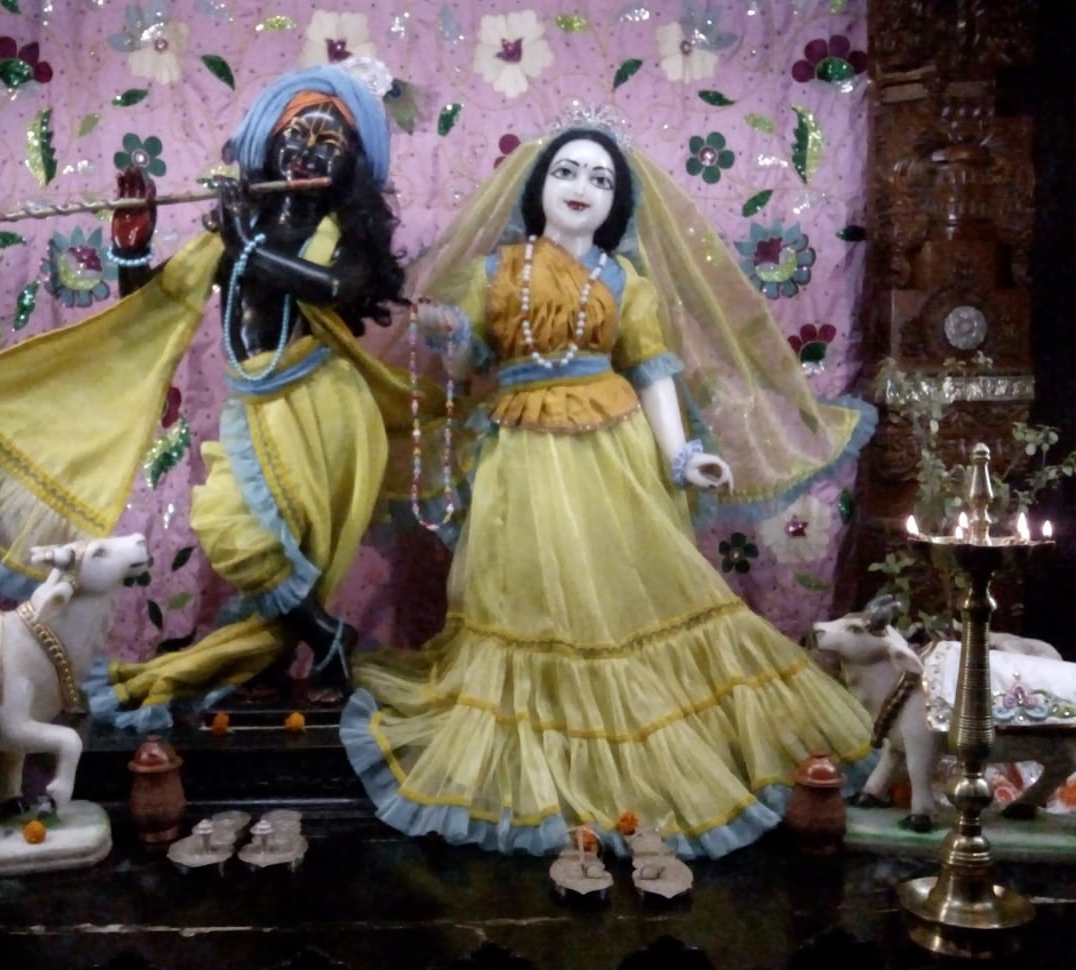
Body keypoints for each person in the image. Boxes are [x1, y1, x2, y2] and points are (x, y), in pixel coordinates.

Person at [340, 124, 877, 860]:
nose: (582, 188)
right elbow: (467, 367)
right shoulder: (495, 272)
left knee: (628, 596)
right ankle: (546, 757)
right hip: (523, 458)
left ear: (616, 200)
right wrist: (447, 337)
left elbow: (652, 373)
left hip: (613, 455)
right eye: (567, 171)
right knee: (532, 596)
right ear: (539, 186)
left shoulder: (627, 283)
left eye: (600, 179)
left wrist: (682, 455)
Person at [0, 64, 424, 729]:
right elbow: (152, 309)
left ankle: (324, 643)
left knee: (249, 541)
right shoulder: (239, 231)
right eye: (298, 133)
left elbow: (332, 288)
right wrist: (132, 248)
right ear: (269, 141)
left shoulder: (337, 238)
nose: (309, 150)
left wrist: (242, 240)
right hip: (255, 409)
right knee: (253, 543)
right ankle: (301, 649)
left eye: (330, 141)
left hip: (321, 409)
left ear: (353, 163)